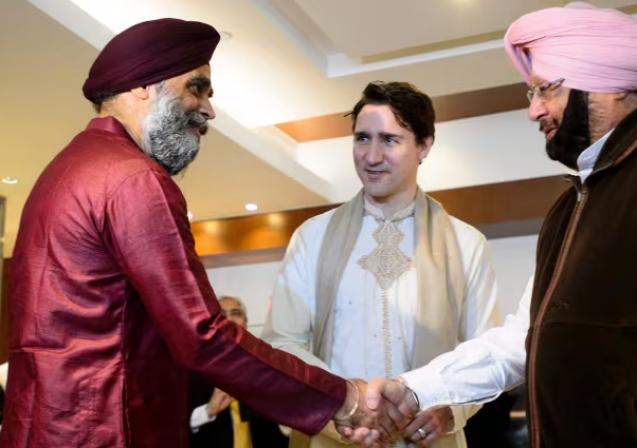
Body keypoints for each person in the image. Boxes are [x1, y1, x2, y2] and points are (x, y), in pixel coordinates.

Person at [362, 2, 637, 448]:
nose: (534, 111)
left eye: (545, 89)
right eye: (529, 94)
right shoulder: (573, 206)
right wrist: (415, 389)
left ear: (611, 83)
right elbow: (521, 340)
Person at [0, 18, 388, 448]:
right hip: (111, 429)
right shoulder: (134, 179)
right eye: (196, 88)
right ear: (144, 85)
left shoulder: (63, 170)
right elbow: (203, 335)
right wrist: (340, 397)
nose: (208, 109)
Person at [263, 81, 500, 448]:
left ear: (424, 146)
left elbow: (486, 351)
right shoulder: (312, 237)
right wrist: (345, 402)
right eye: (362, 139)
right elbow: (282, 341)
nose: (371, 156)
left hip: (428, 436)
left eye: (389, 140)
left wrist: (449, 409)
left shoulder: (466, 243)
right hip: (335, 434)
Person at [189, 296, 289, 448]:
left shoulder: (264, 368)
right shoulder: (193, 369)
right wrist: (209, 410)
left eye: (236, 313)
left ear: (246, 323)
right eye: (221, 314)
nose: (228, 319)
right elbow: (172, 427)